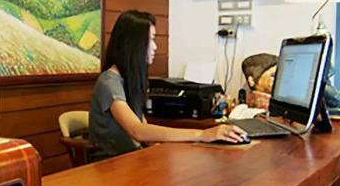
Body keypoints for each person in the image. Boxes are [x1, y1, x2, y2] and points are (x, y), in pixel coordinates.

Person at [89, 10, 246, 160]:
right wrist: (203, 134)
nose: (155, 47)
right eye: (151, 39)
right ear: (134, 44)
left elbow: (142, 125)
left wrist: (159, 149)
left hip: (133, 158)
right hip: (110, 165)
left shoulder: (130, 79)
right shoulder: (109, 82)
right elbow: (137, 130)